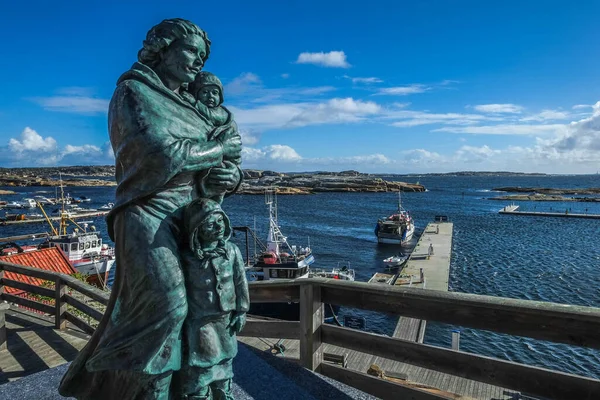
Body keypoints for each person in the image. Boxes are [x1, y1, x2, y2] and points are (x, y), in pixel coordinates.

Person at [59, 18, 242, 400]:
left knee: (195, 312)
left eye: (202, 56)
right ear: (163, 47)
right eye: (192, 51)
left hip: (191, 217)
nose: (197, 62)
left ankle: (181, 390)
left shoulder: (193, 108)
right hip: (147, 214)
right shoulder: (132, 93)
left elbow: (206, 169)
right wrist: (220, 151)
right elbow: (159, 156)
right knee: (167, 308)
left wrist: (227, 177)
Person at [176, 198, 249, 400]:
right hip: (200, 319)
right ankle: (198, 393)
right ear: (196, 229)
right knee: (202, 360)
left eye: (220, 221)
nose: (218, 227)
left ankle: (223, 392)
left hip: (225, 317)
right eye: (210, 223)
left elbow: (240, 282)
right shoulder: (186, 257)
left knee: (227, 356)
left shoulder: (232, 250)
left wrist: (241, 311)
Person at [188, 71, 242, 203]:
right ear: (196, 94)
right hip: (198, 168)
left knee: (217, 193)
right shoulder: (192, 113)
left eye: (215, 92)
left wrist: (235, 171)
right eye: (205, 92)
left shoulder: (228, 120)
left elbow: (236, 149)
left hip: (221, 164)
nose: (210, 96)